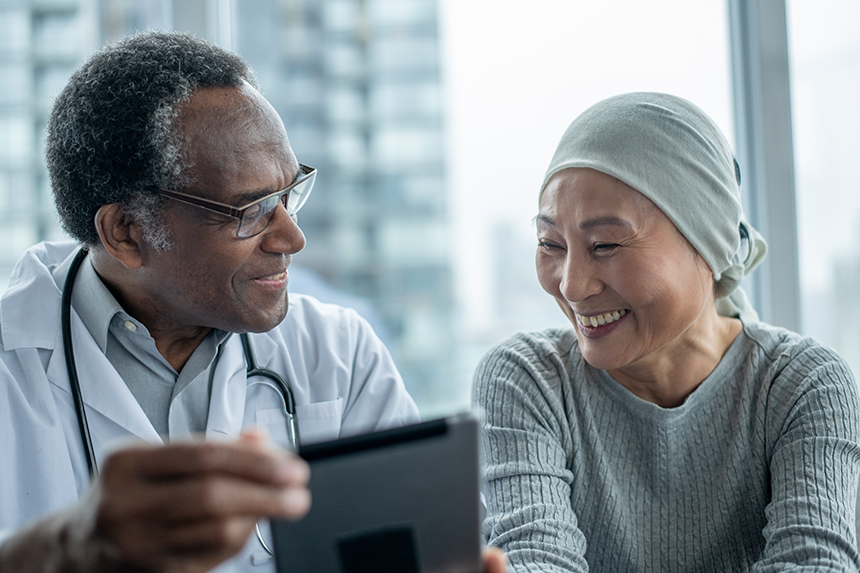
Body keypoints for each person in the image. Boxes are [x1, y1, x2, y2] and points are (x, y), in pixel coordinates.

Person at [0, 31, 506, 573]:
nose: (293, 238)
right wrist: (69, 550)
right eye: (252, 210)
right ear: (126, 231)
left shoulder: (337, 353)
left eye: (289, 195)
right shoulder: (14, 364)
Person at [473, 92, 860, 571]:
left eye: (605, 244)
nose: (571, 285)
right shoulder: (528, 380)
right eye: (550, 243)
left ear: (708, 243)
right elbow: (538, 558)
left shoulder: (801, 385)